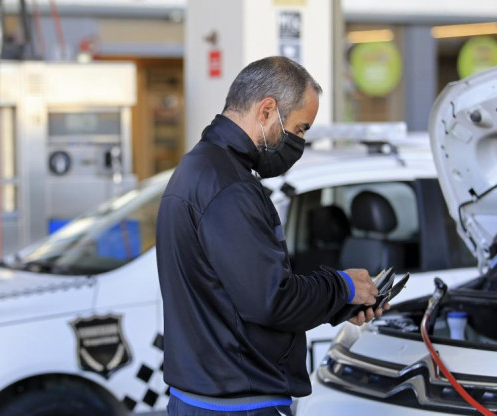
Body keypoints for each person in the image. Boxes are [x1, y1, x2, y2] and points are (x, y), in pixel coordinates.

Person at [156, 56, 388, 416]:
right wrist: (342, 286)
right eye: (300, 129)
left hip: (204, 397)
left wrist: (339, 303)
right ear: (267, 111)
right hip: (239, 404)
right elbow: (270, 301)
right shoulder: (230, 188)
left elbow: (234, 295)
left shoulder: (198, 168)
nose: (301, 141)